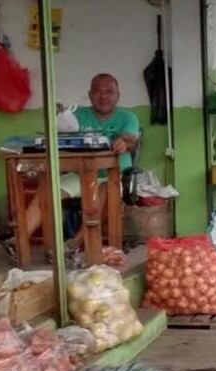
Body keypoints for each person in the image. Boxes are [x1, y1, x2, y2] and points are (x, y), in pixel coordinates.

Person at [22, 74, 139, 251]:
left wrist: (123, 142)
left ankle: (74, 244)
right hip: (80, 175)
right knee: (46, 191)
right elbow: (59, 136)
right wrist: (58, 118)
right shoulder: (75, 116)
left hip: (115, 177)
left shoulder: (128, 117)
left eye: (109, 91)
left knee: (103, 190)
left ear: (118, 95)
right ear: (90, 95)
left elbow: (131, 140)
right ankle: (17, 242)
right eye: (98, 91)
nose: (104, 96)